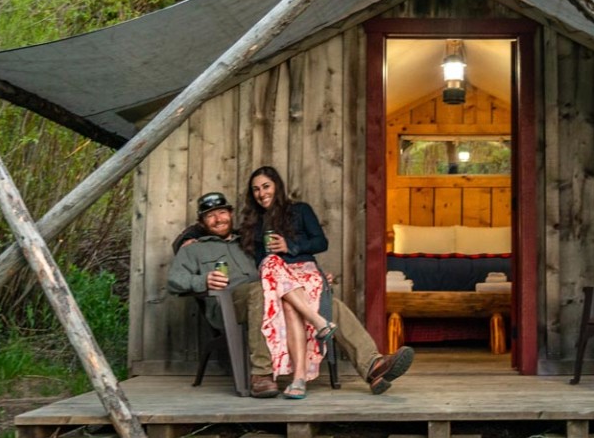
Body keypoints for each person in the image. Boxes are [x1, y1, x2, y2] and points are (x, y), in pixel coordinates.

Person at [169, 190, 414, 398]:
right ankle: (261, 374)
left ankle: (373, 365)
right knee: (260, 291)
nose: (218, 218)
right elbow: (174, 280)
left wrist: (314, 278)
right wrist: (203, 279)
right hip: (230, 303)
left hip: (274, 294)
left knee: (327, 301)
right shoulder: (193, 250)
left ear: (231, 214)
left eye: (222, 212)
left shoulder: (247, 241)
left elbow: (283, 264)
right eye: (210, 216)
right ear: (202, 223)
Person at [241, 165, 338, 398]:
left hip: (304, 273)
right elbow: (222, 233)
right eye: (255, 189)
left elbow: (320, 242)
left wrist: (290, 247)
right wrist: (189, 237)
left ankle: (299, 380)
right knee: (271, 263)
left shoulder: (300, 210)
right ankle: (299, 377)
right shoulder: (255, 222)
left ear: (277, 186)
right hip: (278, 279)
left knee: (273, 263)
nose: (261, 193)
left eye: (266, 186)